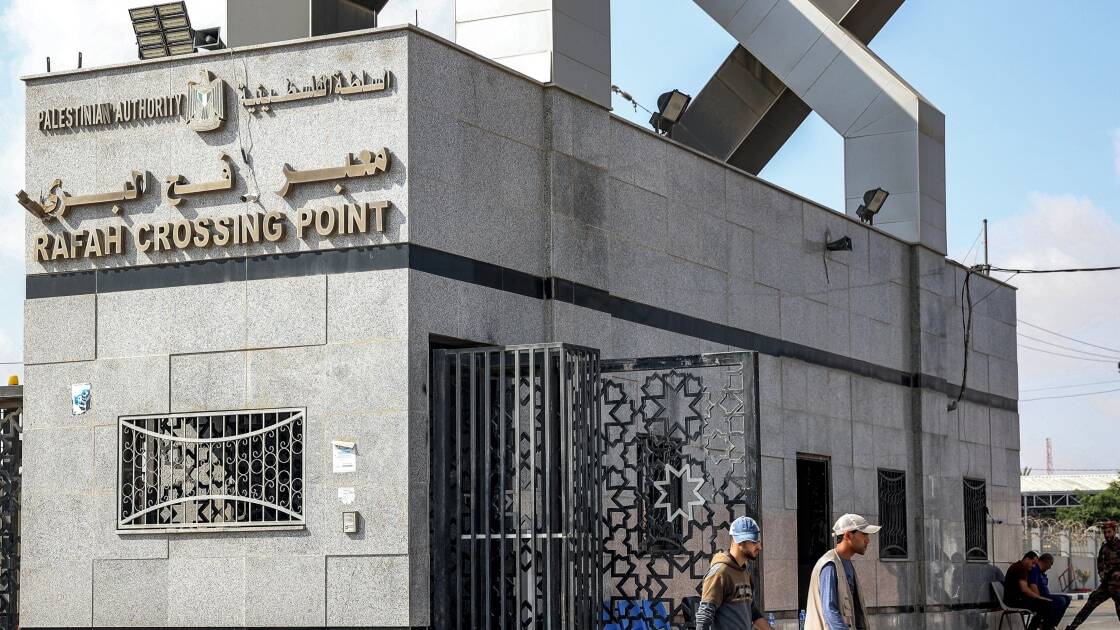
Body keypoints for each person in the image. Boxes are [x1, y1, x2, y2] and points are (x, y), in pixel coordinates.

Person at [804, 514, 879, 630]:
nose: (868, 540)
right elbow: (830, 612)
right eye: (864, 534)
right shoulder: (829, 565)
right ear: (848, 535)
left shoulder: (846, 563)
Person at [696, 516, 771, 630]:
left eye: (758, 541)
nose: (759, 547)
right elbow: (704, 617)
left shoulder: (745, 572)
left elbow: (753, 613)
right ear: (739, 541)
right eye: (754, 542)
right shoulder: (720, 573)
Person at [1066, 520, 1120, 629]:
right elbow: (1100, 564)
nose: (1107, 535)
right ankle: (1072, 627)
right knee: (1089, 605)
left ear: (1114, 532)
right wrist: (1102, 575)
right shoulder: (1104, 547)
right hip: (1106, 585)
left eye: (1109, 532)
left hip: (1118, 587)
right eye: (1105, 533)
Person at [1005, 551, 1054, 630]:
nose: (1033, 566)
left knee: (1045, 604)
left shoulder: (1019, 567)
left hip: (1015, 599)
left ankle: (1040, 626)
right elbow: (1025, 589)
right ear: (1027, 559)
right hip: (1014, 601)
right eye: (1033, 563)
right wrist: (1040, 598)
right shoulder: (1020, 568)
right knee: (1045, 604)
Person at [1030, 553, 1071, 627]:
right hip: (1040, 598)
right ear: (1046, 562)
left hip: (1045, 596)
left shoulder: (1042, 573)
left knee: (1067, 598)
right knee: (1060, 601)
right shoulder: (1035, 570)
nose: (1050, 567)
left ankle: (1051, 625)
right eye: (1050, 564)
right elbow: (1033, 586)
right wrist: (1039, 600)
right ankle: (1047, 626)